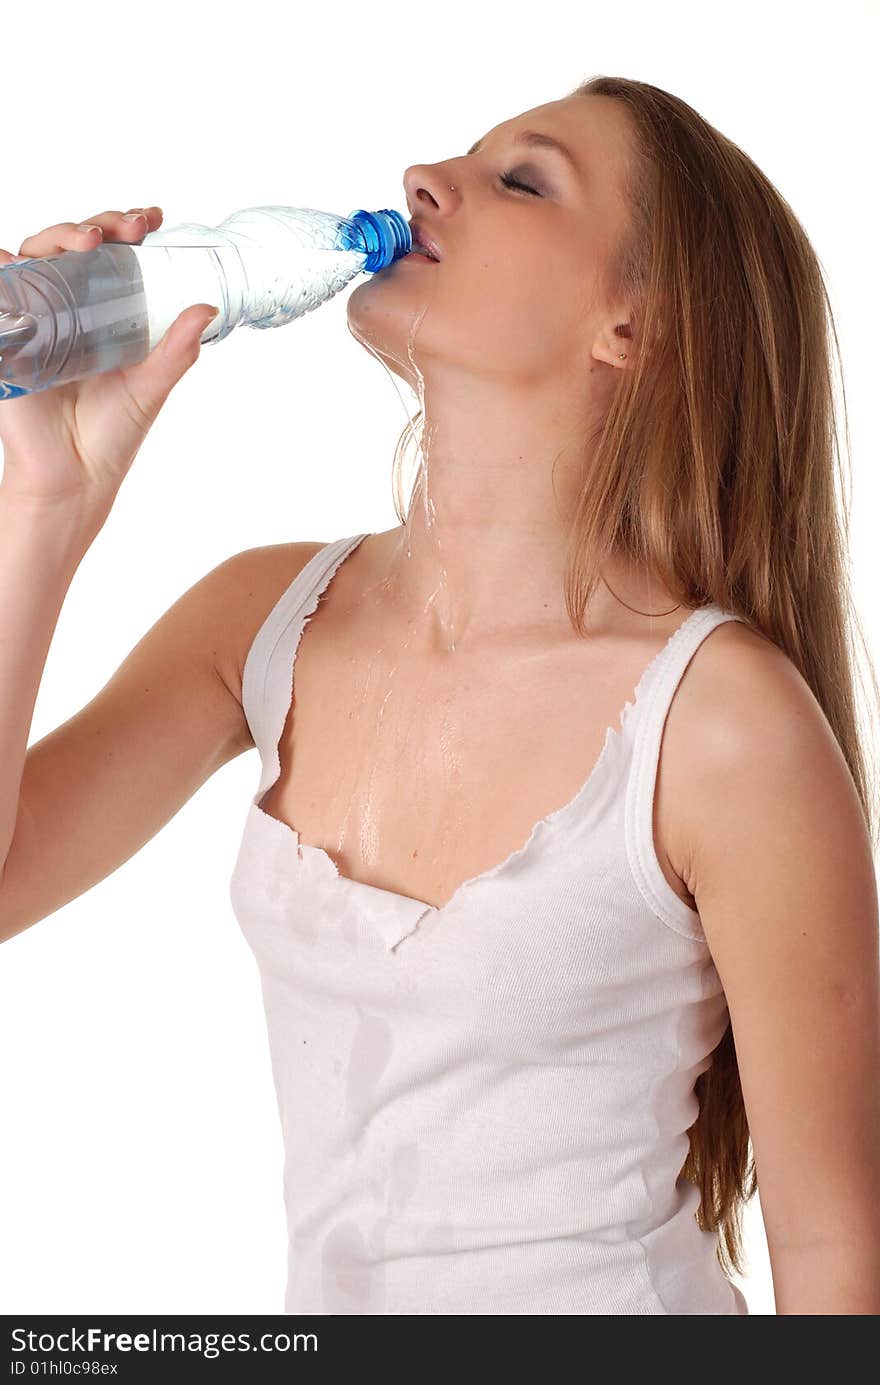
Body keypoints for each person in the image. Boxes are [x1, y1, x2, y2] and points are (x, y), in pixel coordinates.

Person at [1, 74, 878, 1315]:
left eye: (523, 179)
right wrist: (43, 508)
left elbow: (839, 1257)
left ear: (630, 324)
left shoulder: (722, 727)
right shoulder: (259, 622)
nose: (426, 178)